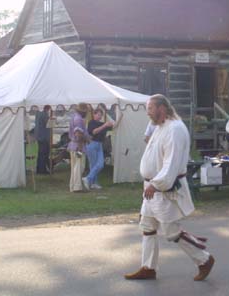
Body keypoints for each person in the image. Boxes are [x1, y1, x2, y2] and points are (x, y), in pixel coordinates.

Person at [124, 94, 214, 281]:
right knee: (147, 225)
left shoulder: (175, 129)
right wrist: (150, 183)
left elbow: (171, 163)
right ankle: (148, 268)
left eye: (150, 108)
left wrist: (156, 184)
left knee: (171, 231)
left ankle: (204, 260)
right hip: (152, 187)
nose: (148, 113)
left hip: (164, 189)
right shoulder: (160, 126)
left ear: (162, 108)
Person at [83, 108, 121, 190]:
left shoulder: (102, 124)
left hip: (100, 145)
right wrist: (104, 126)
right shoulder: (91, 122)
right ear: (94, 114)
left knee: (100, 164)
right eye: (98, 114)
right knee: (93, 165)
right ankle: (93, 183)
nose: (100, 116)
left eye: (101, 115)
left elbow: (114, 127)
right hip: (92, 144)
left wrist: (120, 117)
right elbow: (94, 132)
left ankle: (88, 179)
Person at [68, 103, 89, 192]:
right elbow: (78, 134)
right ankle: (77, 187)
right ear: (82, 111)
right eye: (86, 112)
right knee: (79, 167)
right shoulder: (79, 119)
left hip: (73, 145)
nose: (86, 113)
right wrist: (86, 139)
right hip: (78, 146)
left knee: (74, 167)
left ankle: (73, 186)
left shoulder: (74, 117)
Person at [34, 105, 52, 174]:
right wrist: (52, 120)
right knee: (44, 154)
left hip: (39, 136)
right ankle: (42, 170)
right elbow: (48, 124)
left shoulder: (38, 113)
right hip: (44, 137)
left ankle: (39, 169)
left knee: (40, 154)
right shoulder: (44, 114)